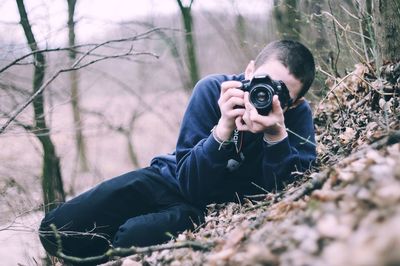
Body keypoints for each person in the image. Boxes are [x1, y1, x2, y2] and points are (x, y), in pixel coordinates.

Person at [39, 39, 317, 263]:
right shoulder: (215, 90)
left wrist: (275, 136)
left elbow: (288, 190)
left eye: (280, 92)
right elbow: (187, 179)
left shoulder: (295, 116)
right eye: (262, 80)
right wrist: (222, 129)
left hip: (199, 207)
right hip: (170, 177)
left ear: (294, 102)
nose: (265, 93)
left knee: (128, 240)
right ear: (249, 71)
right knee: (56, 231)